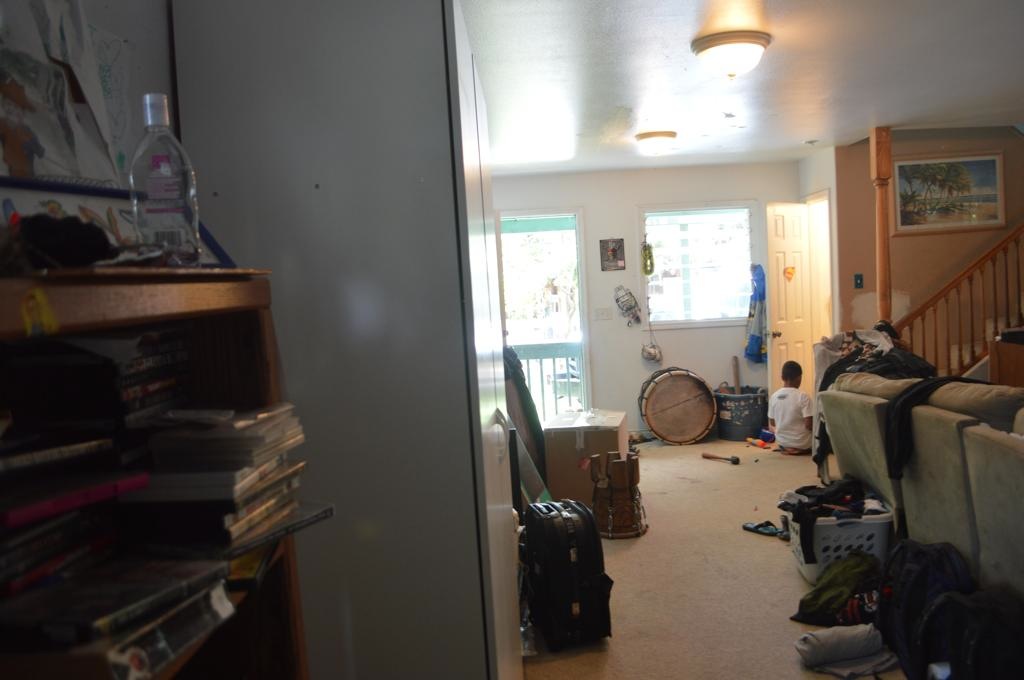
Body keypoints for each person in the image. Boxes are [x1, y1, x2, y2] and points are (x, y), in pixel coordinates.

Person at [768, 360, 813, 454]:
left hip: (782, 442)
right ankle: (799, 449)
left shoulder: (774, 396)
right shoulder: (803, 396)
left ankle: (787, 448)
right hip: (803, 444)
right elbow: (809, 425)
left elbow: (772, 422)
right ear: (799, 378)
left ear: (782, 377)